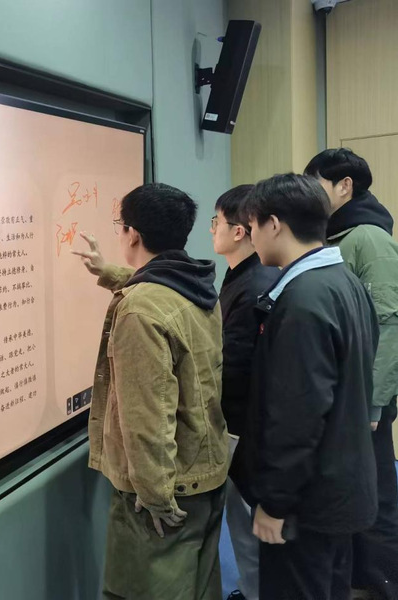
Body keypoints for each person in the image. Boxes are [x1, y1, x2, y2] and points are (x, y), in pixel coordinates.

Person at [73, 183, 228, 600]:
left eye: (120, 225)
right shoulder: (197, 286)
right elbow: (159, 290)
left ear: (133, 234)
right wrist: (108, 273)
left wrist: (155, 495)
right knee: (200, 587)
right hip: (205, 470)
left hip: (166, 491)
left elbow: (146, 417)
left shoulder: (140, 311)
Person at [230, 173, 379, 600]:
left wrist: (276, 502)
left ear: (274, 224)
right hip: (338, 486)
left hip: (306, 501)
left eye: (253, 226)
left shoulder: (301, 299)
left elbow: (297, 414)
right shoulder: (343, 279)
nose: (251, 237)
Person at [305, 148, 398, 600]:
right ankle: (361, 580)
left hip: (367, 397)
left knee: (377, 494)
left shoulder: (369, 237)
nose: (310, 193)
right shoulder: (337, 232)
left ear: (345, 186)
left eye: (317, 183)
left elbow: (390, 321)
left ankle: (383, 584)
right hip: (347, 393)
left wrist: (375, 401)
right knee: (352, 493)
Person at [211, 185, 280, 600]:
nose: (212, 230)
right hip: (242, 423)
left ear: (240, 231)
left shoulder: (255, 282)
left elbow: (234, 366)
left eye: (216, 222)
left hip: (242, 427)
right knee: (243, 526)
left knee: (247, 524)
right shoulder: (243, 275)